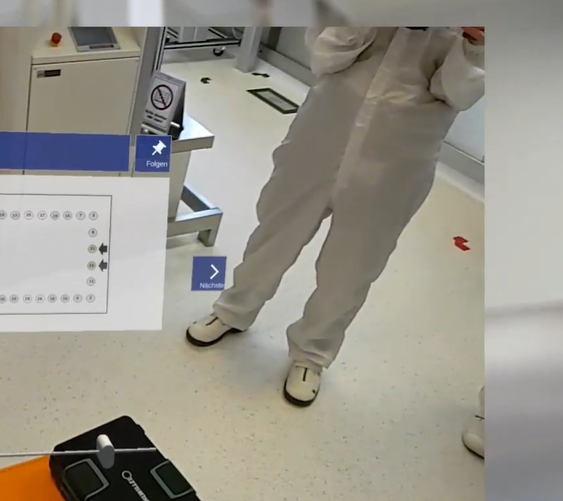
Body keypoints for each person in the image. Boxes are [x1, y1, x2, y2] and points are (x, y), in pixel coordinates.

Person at [185, 26, 484, 413]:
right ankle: (234, 308)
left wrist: (475, 42)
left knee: (353, 265)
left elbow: (459, 92)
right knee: (276, 230)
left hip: (399, 153)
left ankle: (312, 354)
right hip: (324, 129)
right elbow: (324, 54)